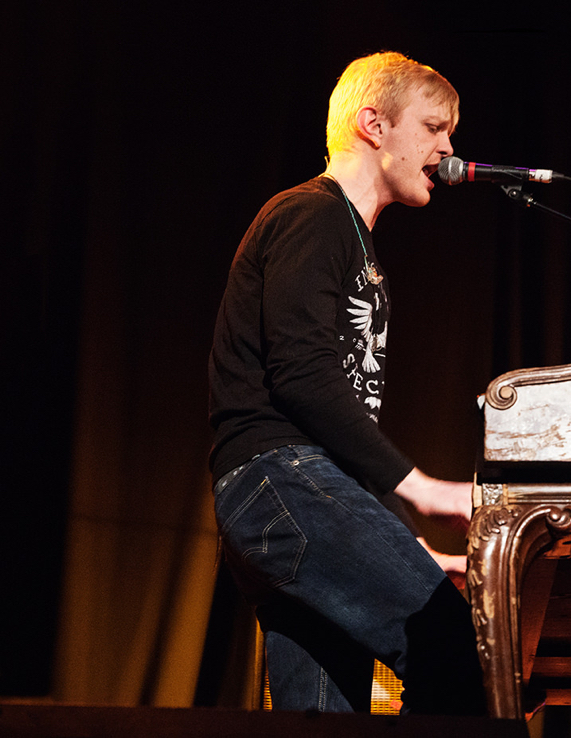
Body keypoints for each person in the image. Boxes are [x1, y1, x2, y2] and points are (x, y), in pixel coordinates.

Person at [208, 51, 486, 715]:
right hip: (276, 483)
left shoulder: (357, 242)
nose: (448, 147)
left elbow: (335, 425)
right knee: (453, 649)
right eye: (433, 127)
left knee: (326, 715)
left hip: (297, 493)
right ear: (375, 125)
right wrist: (423, 491)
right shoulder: (312, 214)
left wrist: (396, 541)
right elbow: (302, 377)